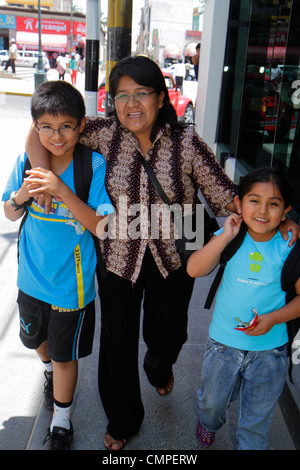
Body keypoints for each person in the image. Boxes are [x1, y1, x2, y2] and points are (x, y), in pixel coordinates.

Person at [25, 56, 298, 451]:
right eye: (122, 96)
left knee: (166, 337)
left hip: (174, 260)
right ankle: (123, 419)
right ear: (112, 101)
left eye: (142, 94)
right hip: (118, 258)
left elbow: (224, 194)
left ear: (161, 97)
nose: (132, 105)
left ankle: (160, 365)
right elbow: (40, 131)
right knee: (117, 344)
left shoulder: (185, 141)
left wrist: (281, 218)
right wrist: (41, 176)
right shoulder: (101, 133)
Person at [2, 80, 112, 450]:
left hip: (72, 286)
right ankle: (47, 370)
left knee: (65, 356)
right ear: (35, 127)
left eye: (66, 125)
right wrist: (23, 194)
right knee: (35, 340)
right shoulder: (26, 163)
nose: (56, 135)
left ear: (81, 126)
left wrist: (62, 190)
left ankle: (62, 421)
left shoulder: (92, 165)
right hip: (31, 278)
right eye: (46, 127)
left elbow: (101, 225)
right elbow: (9, 211)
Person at [187, 167, 300, 450]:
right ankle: (209, 423)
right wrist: (224, 236)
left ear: (286, 210)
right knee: (211, 403)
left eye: (273, 204)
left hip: (271, 351)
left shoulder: (290, 247)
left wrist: (274, 319)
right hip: (223, 345)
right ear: (238, 203)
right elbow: (194, 269)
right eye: (254, 200)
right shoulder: (230, 236)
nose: (263, 211)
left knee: (256, 422)